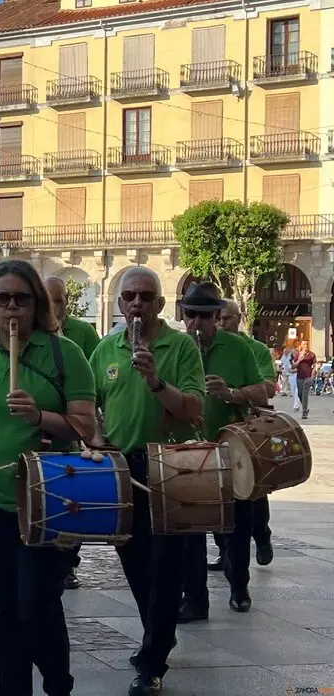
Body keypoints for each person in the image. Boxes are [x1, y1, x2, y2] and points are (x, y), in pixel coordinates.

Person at [0, 260, 96, 696]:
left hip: (48, 500)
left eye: (21, 299)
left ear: (36, 304)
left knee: (37, 604)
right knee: (4, 607)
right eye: (3, 299)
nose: (12, 308)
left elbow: (87, 426)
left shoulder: (65, 354)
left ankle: (57, 684)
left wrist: (41, 415)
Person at [89, 266, 205, 696]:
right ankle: (159, 631)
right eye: (129, 296)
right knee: (133, 560)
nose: (137, 304)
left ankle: (152, 659)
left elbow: (194, 410)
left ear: (159, 304)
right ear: (119, 303)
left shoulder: (181, 347)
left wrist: (155, 381)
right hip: (122, 467)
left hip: (169, 466)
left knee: (166, 564)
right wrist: (95, 436)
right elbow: (90, 407)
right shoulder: (104, 349)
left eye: (145, 296)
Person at [177, 284, 267, 625]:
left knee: (237, 524)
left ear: (217, 316)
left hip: (231, 448)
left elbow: (261, 391)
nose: (196, 323)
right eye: (190, 315)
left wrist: (230, 393)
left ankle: (239, 586)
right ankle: (195, 599)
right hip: (190, 450)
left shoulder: (239, 347)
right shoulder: (179, 348)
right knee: (190, 530)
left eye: (204, 316)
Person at [209, 300, 276, 570]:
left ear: (239, 318)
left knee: (253, 493)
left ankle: (262, 536)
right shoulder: (208, 347)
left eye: (227, 318)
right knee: (216, 494)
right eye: (219, 318)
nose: (222, 323)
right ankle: (225, 552)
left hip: (247, 430)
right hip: (216, 433)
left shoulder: (255, 349)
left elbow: (269, 387)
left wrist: (234, 392)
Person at [45, 275, 101, 590]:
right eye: (49, 300)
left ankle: (69, 562)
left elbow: (93, 376)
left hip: (76, 426)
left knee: (73, 493)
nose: (55, 306)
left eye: (60, 300)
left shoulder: (84, 332)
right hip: (45, 425)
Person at [293, 340, 316, 419]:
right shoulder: (297, 354)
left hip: (308, 377)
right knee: (299, 394)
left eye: (306, 344)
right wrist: (299, 359)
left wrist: (312, 378)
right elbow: (294, 366)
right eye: (304, 344)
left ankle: (304, 412)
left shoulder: (312, 355)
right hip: (299, 377)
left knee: (305, 394)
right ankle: (305, 407)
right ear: (301, 345)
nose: (305, 345)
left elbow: (314, 367)